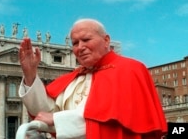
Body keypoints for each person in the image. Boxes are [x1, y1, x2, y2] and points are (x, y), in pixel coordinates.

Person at [18, 18, 167, 139]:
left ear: (106, 40)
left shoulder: (130, 69)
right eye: (75, 43)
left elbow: (113, 119)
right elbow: (44, 113)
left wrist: (57, 120)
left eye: (86, 39)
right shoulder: (73, 78)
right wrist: (30, 74)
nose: (80, 47)